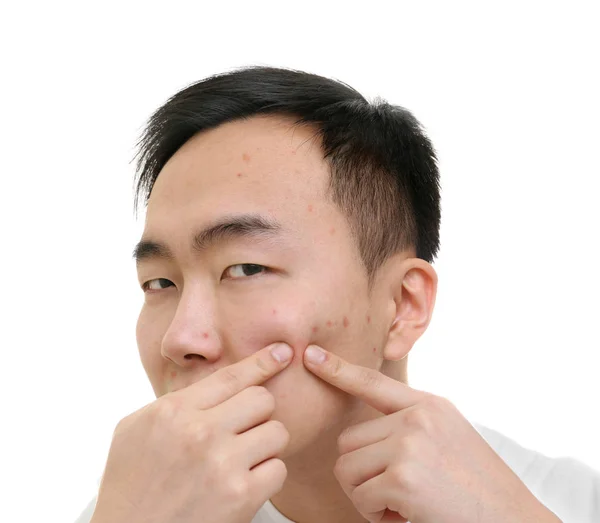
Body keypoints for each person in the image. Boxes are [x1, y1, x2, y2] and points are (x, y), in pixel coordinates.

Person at [74, 66, 599, 523]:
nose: (181, 338)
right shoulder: (136, 507)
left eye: (247, 267)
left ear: (402, 307)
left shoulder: (572, 503)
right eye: (160, 283)